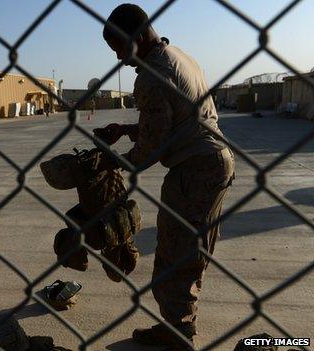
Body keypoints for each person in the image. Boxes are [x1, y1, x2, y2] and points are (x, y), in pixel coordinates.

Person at [95, 4, 235, 350]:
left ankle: (180, 335)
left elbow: (151, 150)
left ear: (139, 37)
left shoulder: (151, 75)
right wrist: (128, 128)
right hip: (212, 160)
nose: (120, 59)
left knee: (176, 257)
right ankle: (177, 326)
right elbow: (176, 118)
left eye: (120, 49)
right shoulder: (177, 55)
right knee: (189, 252)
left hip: (195, 170)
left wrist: (113, 163)